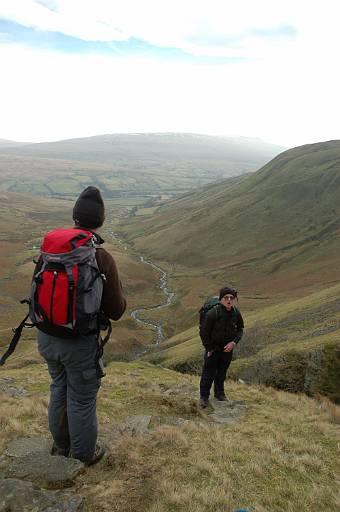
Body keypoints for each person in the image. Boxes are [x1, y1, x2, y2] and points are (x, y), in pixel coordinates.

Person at [36, 186, 126, 465]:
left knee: (58, 387)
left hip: (47, 337)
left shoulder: (50, 251)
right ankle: (84, 456)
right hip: (79, 343)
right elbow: (116, 310)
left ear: (75, 217)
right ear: (99, 221)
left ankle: (61, 447)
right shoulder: (100, 257)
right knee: (82, 398)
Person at [199, 285, 244, 408]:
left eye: (231, 297)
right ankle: (204, 397)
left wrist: (234, 342)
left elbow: (240, 329)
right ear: (221, 299)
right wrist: (209, 348)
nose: (229, 300)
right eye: (226, 297)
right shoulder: (213, 313)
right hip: (213, 349)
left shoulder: (235, 312)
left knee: (222, 373)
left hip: (227, 349)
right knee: (208, 373)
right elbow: (203, 332)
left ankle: (219, 394)